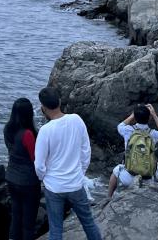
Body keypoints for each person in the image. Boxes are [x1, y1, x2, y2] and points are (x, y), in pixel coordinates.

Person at [34, 86, 102, 240]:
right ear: (59, 101)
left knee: (56, 229)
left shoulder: (45, 131)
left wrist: (44, 178)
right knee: (88, 222)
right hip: (76, 184)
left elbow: (39, 164)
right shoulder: (76, 120)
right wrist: (81, 171)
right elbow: (86, 150)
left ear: (43, 108)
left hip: (54, 187)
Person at [106, 103, 158, 199]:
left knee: (116, 171)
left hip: (128, 177)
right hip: (148, 180)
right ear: (149, 118)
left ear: (135, 117)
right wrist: (154, 115)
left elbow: (120, 126)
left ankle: (108, 197)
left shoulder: (128, 130)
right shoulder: (153, 134)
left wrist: (132, 115)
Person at [3, 97, 41, 240]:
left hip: (11, 177)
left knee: (16, 216)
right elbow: (34, 159)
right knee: (28, 223)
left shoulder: (8, 129)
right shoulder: (28, 134)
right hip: (28, 182)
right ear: (29, 114)